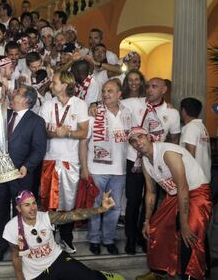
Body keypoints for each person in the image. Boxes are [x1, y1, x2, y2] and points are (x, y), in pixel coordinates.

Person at [128, 127, 211, 280]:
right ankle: (159, 272)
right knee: (155, 228)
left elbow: (183, 187)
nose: (137, 142)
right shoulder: (146, 161)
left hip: (196, 191)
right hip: (174, 195)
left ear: (148, 137)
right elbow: (151, 192)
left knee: (190, 233)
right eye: (133, 141)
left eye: (140, 137)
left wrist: (184, 223)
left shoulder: (168, 153)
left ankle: (191, 276)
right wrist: (146, 221)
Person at [0, 85, 47, 262]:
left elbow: (39, 149)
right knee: (0, 213)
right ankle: (0, 246)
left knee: (21, 215)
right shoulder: (5, 114)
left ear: (26, 100)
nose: (13, 95)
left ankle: (21, 247)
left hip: (20, 175)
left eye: (17, 93)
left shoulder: (36, 121)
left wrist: (28, 166)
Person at [3, 190, 125, 280]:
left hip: (56, 259)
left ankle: (102, 276)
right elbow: (16, 256)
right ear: (19, 208)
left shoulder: (46, 217)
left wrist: (100, 209)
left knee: (90, 277)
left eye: (34, 203)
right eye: (27, 205)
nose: (32, 208)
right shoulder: (11, 228)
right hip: (35, 273)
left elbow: (74, 215)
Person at [121, 77, 181, 255]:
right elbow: (112, 100)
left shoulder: (172, 113)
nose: (149, 89)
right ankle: (130, 238)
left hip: (156, 162)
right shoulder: (134, 102)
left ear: (164, 90)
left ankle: (143, 234)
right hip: (134, 160)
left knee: (151, 202)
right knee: (133, 201)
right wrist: (94, 104)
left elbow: (175, 140)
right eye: (148, 86)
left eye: (154, 86)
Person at [39, 71, 89, 254]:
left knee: (68, 203)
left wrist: (66, 133)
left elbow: (84, 132)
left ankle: (66, 239)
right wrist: (56, 133)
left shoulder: (80, 104)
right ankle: (49, 240)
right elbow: (42, 131)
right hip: (50, 158)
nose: (51, 85)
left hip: (71, 161)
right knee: (48, 202)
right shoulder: (47, 104)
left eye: (55, 82)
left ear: (65, 84)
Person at [82, 79, 132, 256]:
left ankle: (108, 239)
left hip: (119, 169)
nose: (105, 94)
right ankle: (94, 239)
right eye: (103, 91)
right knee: (96, 206)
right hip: (96, 169)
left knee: (115, 206)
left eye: (110, 91)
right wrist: (84, 168)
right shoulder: (94, 113)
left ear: (119, 94)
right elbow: (84, 142)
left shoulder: (127, 112)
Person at [179, 97, 211, 180]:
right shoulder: (201, 126)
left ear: (183, 111)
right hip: (203, 176)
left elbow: (190, 155)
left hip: (193, 179)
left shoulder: (190, 127)